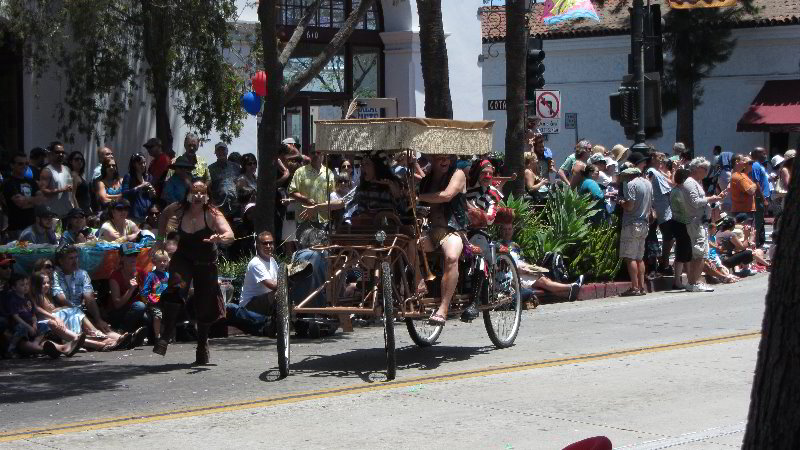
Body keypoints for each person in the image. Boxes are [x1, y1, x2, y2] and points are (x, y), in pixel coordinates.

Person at [155, 179, 234, 364]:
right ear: (188, 194)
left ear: (207, 196)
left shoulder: (212, 213)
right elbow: (162, 218)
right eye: (194, 192)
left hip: (206, 262)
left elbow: (230, 235)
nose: (198, 196)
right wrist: (159, 241)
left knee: (205, 304)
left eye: (202, 193)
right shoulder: (177, 209)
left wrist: (221, 238)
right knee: (175, 287)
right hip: (183, 258)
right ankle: (165, 335)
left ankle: (202, 344)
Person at [418, 154, 467, 326]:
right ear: (431, 158)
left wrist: (418, 197)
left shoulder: (458, 173)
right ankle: (418, 282)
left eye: (447, 157)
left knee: (452, 257)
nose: (444, 161)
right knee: (407, 244)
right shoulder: (426, 179)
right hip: (431, 231)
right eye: (440, 157)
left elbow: (447, 195)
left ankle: (443, 308)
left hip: (452, 230)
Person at [31, 272, 124, 351]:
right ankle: (100, 338)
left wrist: (61, 309)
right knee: (74, 311)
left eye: (48, 283)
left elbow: (54, 310)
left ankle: (107, 337)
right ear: (37, 285)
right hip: (46, 321)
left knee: (74, 311)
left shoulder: (47, 296)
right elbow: (38, 310)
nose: (47, 285)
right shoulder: (36, 296)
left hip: (53, 319)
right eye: (43, 283)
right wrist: (56, 315)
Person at [498, 222, 583, 301]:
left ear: (512, 230)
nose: (507, 232)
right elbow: (501, 265)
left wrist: (532, 269)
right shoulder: (498, 246)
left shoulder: (515, 245)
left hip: (523, 271)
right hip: (512, 275)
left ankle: (567, 294)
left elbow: (521, 261)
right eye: (505, 229)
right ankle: (570, 287)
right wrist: (521, 269)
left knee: (543, 277)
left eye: (509, 229)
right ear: (500, 231)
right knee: (542, 281)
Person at [3, 273, 83, 358]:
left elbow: (33, 314)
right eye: (22, 285)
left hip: (31, 326)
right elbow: (15, 316)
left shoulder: (27, 299)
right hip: (21, 326)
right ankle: (11, 349)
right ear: (13, 287)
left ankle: (36, 343)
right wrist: (28, 327)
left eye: (27, 284)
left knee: (46, 325)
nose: (26, 287)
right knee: (21, 328)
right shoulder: (13, 299)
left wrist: (34, 324)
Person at [682, 157, 726, 292]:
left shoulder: (696, 182)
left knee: (700, 253)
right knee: (700, 254)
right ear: (696, 169)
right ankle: (695, 282)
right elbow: (695, 202)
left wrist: (713, 200)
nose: (707, 172)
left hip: (700, 221)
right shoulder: (690, 183)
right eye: (704, 169)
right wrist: (711, 198)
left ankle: (693, 282)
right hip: (696, 222)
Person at [226, 231, 278, 336]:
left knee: (284, 293)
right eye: (265, 243)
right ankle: (273, 322)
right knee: (278, 294)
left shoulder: (272, 260)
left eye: (270, 243)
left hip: (265, 302)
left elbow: (278, 282)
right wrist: (290, 282)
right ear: (258, 245)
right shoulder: (256, 263)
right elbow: (272, 285)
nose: (268, 246)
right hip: (249, 305)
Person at [51, 244, 111, 333]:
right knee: (95, 332)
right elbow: (61, 299)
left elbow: (89, 299)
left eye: (76, 257)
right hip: (64, 315)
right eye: (71, 258)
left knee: (103, 327)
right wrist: (81, 314)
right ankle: (110, 341)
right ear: (61, 261)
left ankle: (121, 339)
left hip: (81, 315)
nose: (75, 261)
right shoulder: (54, 275)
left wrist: (98, 319)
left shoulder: (82, 274)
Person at [617, 168, 653, 296]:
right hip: (644, 223)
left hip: (632, 223)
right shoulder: (648, 183)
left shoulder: (632, 184)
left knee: (630, 257)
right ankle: (642, 286)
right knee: (639, 257)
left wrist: (621, 202)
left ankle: (634, 287)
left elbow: (630, 206)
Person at [106, 245, 148, 344]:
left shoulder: (141, 273)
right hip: (118, 313)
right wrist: (131, 289)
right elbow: (117, 304)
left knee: (147, 318)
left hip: (136, 311)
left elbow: (148, 298)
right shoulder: (115, 276)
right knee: (139, 306)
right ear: (121, 258)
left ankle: (134, 337)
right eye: (129, 255)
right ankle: (120, 333)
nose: (133, 258)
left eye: (135, 255)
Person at [289, 146, 335, 236]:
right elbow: (292, 192)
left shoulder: (329, 173)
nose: (315, 155)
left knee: (322, 248)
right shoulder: (300, 172)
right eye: (313, 153)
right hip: (305, 219)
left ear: (323, 155)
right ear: (309, 154)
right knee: (305, 248)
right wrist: (306, 200)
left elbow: (333, 195)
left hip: (323, 219)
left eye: (318, 152)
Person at [646, 152, 678, 275]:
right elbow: (667, 189)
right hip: (661, 209)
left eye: (662, 160)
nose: (661, 161)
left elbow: (672, 184)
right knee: (668, 236)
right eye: (658, 159)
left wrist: (674, 169)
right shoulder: (651, 172)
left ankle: (663, 262)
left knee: (669, 236)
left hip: (665, 208)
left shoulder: (657, 172)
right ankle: (663, 262)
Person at [4, 152, 45, 241]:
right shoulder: (9, 183)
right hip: (16, 228)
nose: (24, 166)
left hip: (33, 227)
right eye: (20, 164)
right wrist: (34, 201)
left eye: (26, 163)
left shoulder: (32, 182)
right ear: (12, 165)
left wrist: (28, 201)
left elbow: (41, 200)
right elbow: (20, 203)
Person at [38, 141, 76, 217]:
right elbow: (43, 190)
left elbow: (71, 191)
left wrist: (75, 206)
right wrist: (61, 190)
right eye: (57, 152)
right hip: (53, 214)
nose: (61, 154)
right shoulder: (47, 171)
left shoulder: (67, 169)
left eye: (62, 152)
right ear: (51, 154)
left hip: (68, 213)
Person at [140, 249, 170, 344]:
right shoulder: (151, 275)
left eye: (164, 261)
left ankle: (166, 336)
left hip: (166, 301)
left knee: (169, 316)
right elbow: (145, 290)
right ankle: (157, 337)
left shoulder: (168, 275)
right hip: (155, 302)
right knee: (158, 316)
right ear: (154, 262)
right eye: (160, 261)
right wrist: (149, 296)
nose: (162, 263)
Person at [208, 142, 241, 218]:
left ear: (227, 151)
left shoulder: (236, 167)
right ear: (215, 153)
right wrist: (212, 202)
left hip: (236, 208)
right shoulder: (210, 169)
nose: (221, 152)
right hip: (219, 208)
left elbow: (241, 184)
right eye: (218, 151)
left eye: (223, 150)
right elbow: (208, 187)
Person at [122, 153, 156, 224]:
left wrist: (152, 194)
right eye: (140, 163)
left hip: (146, 214)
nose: (143, 165)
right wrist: (140, 186)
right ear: (134, 164)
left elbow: (151, 198)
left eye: (144, 163)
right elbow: (125, 194)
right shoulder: (129, 177)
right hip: (133, 213)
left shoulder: (148, 177)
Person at [748, 147, 770, 247]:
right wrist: (763, 199)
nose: (765, 155)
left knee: (760, 221)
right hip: (759, 198)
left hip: (762, 197)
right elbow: (756, 183)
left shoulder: (760, 165)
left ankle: (759, 243)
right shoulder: (755, 165)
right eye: (763, 153)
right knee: (757, 222)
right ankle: (756, 245)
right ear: (757, 154)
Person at [730, 154, 757, 219]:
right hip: (742, 212)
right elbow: (751, 191)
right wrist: (754, 185)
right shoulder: (737, 177)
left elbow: (752, 188)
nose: (745, 163)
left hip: (745, 211)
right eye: (743, 160)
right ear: (737, 162)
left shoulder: (742, 175)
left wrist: (753, 186)